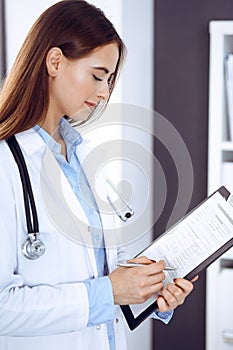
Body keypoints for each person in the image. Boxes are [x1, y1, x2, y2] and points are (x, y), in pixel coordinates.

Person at [0, 1, 197, 349]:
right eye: (97, 76)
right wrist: (110, 291)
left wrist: (151, 290)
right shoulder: (6, 163)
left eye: (109, 80)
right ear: (55, 61)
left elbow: (103, 278)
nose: (104, 93)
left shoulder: (86, 157)